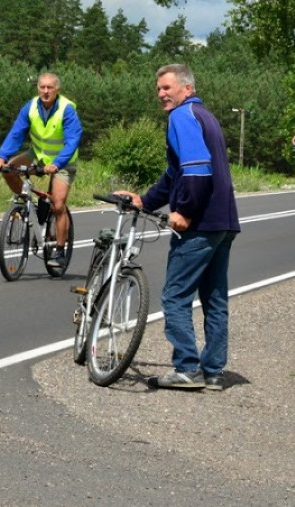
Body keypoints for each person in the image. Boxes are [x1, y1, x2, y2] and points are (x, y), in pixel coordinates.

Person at [116, 64, 240, 390]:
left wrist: (184, 210)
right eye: (158, 89)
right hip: (223, 221)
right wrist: (145, 201)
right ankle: (213, 371)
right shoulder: (205, 116)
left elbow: (197, 171)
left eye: (167, 88)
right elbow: (175, 174)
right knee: (214, 299)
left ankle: (186, 367)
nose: (161, 94)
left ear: (187, 88)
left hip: (199, 224)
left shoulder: (182, 117)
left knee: (174, 296)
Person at [0, 72, 83, 269]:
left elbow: (73, 140)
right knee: (9, 170)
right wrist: (2, 157)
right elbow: (16, 133)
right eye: (42, 87)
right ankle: (26, 204)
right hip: (38, 154)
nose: (46, 91)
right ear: (38, 88)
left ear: (57, 89)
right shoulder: (31, 106)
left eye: (50, 87)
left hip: (63, 161)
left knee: (58, 205)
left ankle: (59, 250)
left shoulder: (67, 109)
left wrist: (57, 163)